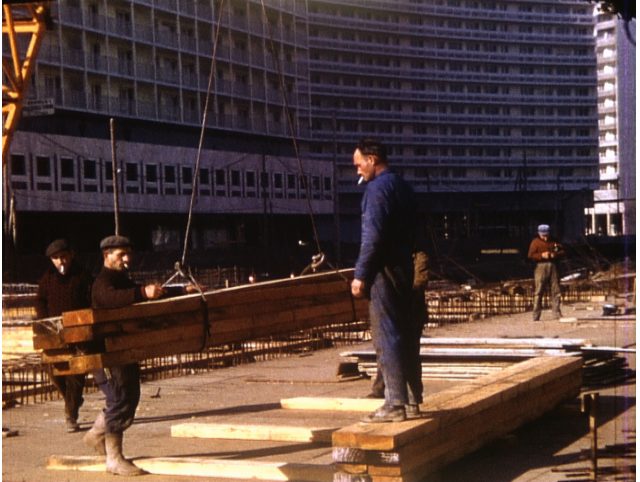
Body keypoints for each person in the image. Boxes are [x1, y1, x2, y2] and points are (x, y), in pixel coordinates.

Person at [83, 235, 192, 476]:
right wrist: (142, 292)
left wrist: (182, 290)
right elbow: (112, 299)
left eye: (128, 254)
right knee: (122, 398)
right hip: (111, 351)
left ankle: (95, 435)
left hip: (124, 346)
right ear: (106, 256)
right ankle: (113, 458)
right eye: (121, 255)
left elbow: (143, 294)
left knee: (127, 396)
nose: (126, 259)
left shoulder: (121, 280)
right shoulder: (102, 282)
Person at [351, 138, 418, 423]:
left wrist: (360, 274)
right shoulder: (402, 186)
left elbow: (373, 237)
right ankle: (413, 400)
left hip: (384, 270)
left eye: (359, 165)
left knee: (386, 334)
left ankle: (394, 404)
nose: (358, 172)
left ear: (372, 159)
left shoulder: (376, 190)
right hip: (404, 267)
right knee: (405, 333)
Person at [35, 239, 92, 433]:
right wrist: (46, 322)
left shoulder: (83, 275)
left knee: (76, 373)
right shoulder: (47, 278)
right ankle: (72, 399)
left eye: (63, 256)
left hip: (79, 332)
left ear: (71, 255)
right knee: (53, 369)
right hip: (55, 333)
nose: (61, 261)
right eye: (56, 258)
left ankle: (71, 414)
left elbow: (90, 299)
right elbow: (40, 302)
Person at [367, 250, 429, 420]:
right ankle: (407, 399)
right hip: (404, 294)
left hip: (405, 296)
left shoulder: (411, 243)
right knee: (403, 348)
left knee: (394, 347)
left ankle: (401, 400)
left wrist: (415, 290)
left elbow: (421, 266)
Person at [527, 224, 565, 321]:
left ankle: (556, 312)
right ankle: (536, 314)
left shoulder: (554, 241)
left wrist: (554, 255)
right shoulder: (535, 242)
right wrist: (541, 255)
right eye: (543, 235)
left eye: (546, 235)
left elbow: (562, 252)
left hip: (553, 266)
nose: (545, 237)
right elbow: (530, 255)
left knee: (556, 290)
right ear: (539, 233)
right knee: (539, 291)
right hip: (540, 266)